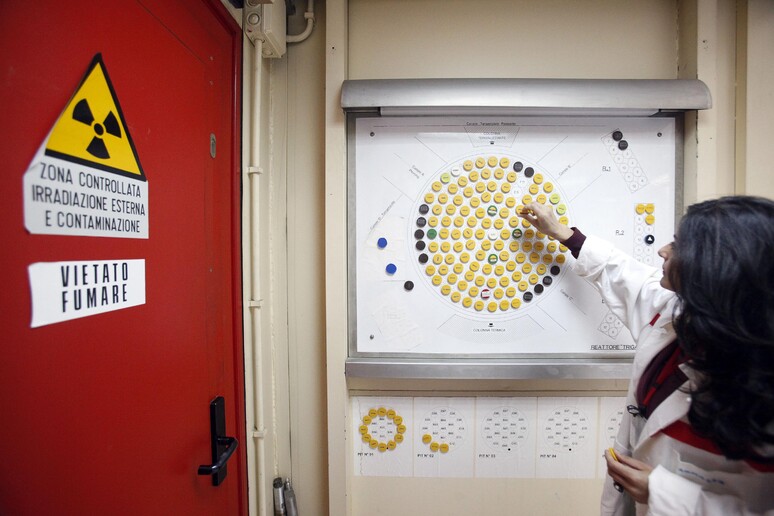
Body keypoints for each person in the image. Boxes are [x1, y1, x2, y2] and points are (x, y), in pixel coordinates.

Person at [519, 196, 774, 515]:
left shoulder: (762, 389)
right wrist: (562, 233)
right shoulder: (676, 312)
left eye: (679, 245)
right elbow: (621, 273)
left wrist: (662, 492)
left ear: (717, 268)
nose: (663, 250)